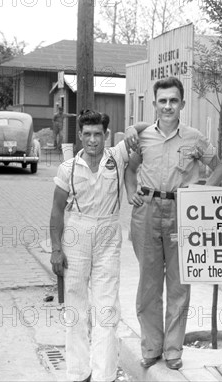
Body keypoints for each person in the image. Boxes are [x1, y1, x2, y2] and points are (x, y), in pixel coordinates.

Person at [125, 76, 222, 371]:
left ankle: (172, 350)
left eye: (173, 101)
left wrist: (200, 195)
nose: (168, 106)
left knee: (179, 284)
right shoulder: (142, 137)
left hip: (182, 213)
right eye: (162, 101)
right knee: (149, 283)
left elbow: (220, 167)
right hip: (146, 211)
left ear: (182, 104)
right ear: (155, 104)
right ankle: (150, 346)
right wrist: (132, 193)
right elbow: (130, 170)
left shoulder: (194, 138)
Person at [49, 110, 148, 382]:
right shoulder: (68, 168)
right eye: (87, 135)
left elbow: (147, 125)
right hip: (77, 234)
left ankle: (104, 375)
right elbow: (57, 211)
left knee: (106, 310)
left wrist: (130, 128)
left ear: (105, 135)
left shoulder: (116, 157)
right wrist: (56, 249)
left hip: (107, 233)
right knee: (75, 308)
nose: (92, 140)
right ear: (80, 136)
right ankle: (79, 373)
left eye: (98, 134)